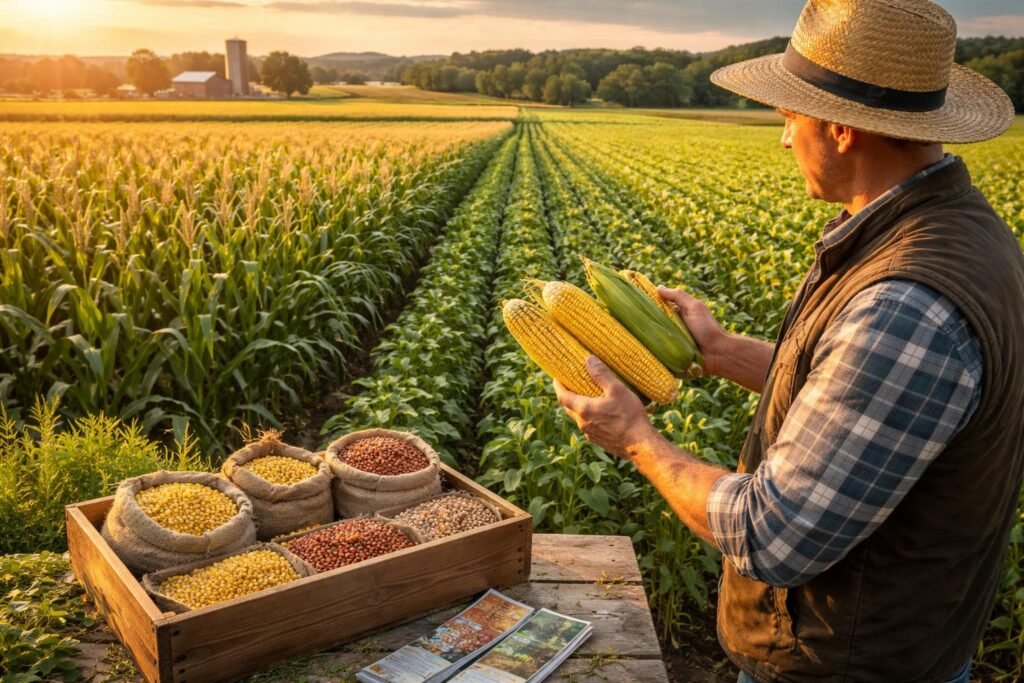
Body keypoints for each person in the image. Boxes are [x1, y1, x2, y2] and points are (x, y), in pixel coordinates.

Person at [553, 1, 1024, 681]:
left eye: (788, 117)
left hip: (845, 664)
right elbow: (861, 395)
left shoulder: (908, 301)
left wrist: (636, 439)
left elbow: (772, 534)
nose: (782, 139)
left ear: (839, 128)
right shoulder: (955, 230)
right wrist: (717, 349)